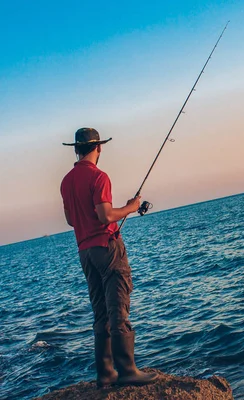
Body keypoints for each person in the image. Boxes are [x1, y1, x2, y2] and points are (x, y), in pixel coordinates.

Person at [60, 128, 157, 388]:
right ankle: (127, 370)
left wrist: (114, 212)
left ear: (76, 149)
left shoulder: (66, 181)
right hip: (107, 248)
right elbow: (105, 216)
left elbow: (71, 219)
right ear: (99, 147)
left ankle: (105, 373)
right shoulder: (99, 176)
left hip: (85, 253)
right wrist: (131, 208)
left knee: (100, 311)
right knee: (118, 307)